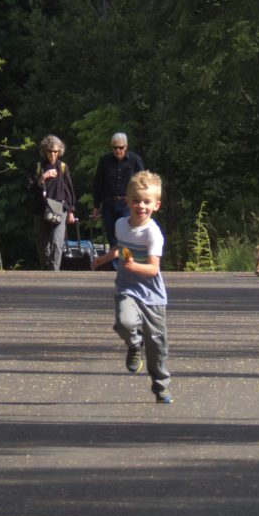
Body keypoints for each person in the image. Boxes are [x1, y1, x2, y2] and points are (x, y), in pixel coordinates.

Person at [91, 171, 172, 404]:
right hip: (127, 288)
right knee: (125, 323)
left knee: (157, 344)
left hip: (153, 295)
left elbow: (153, 269)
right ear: (127, 202)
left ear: (156, 205)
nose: (141, 206)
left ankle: (161, 386)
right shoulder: (120, 225)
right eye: (136, 200)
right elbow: (120, 246)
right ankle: (134, 344)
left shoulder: (153, 234)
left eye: (147, 202)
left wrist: (134, 265)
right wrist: (104, 259)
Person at [28, 135, 76, 271]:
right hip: (41, 210)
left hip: (59, 209)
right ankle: (45, 269)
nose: (53, 154)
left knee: (57, 242)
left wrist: (71, 211)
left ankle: (54, 273)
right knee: (43, 245)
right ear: (45, 151)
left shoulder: (63, 167)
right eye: (50, 151)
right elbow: (29, 188)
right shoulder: (38, 167)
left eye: (56, 151)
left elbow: (69, 191)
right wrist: (42, 178)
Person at [92, 132, 145, 248]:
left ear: (126, 146)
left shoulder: (135, 160)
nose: (117, 151)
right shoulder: (104, 160)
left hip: (127, 204)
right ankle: (117, 266)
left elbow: (142, 183)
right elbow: (98, 184)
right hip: (108, 203)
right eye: (114, 148)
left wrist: (138, 201)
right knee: (112, 238)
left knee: (126, 237)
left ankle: (126, 265)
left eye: (120, 148)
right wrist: (96, 206)